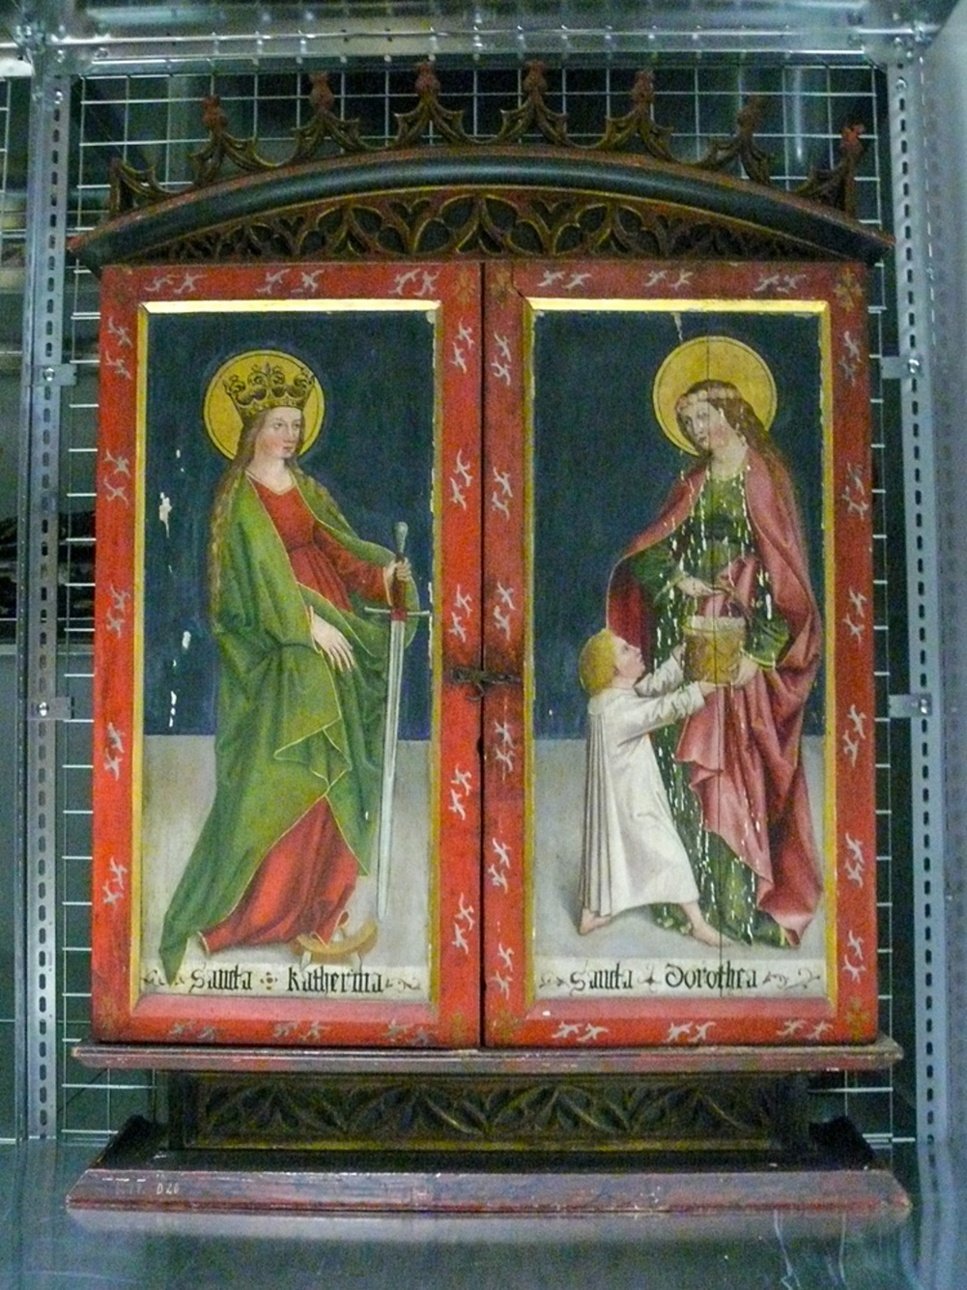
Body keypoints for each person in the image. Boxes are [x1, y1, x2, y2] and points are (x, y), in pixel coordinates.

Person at [159, 358, 415, 984]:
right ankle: (254, 914)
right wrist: (304, 626)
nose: (290, 435)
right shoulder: (237, 502)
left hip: (335, 638)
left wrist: (383, 577)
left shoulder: (307, 489)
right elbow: (238, 598)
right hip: (281, 656)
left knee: (333, 772)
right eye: (279, 424)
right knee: (286, 773)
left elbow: (338, 551)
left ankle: (318, 910)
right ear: (253, 429)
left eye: (296, 425)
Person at [607, 375, 823, 947]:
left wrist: (759, 651)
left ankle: (741, 905)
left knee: (736, 769)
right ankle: (688, 898)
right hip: (690, 636)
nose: (697, 429)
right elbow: (651, 552)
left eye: (704, 416)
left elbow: (788, 581)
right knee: (685, 765)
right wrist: (678, 578)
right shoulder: (693, 481)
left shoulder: (765, 477)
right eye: (688, 422)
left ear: (732, 410)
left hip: (744, 638)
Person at [578, 628, 726, 948]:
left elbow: (649, 690)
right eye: (625, 650)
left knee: (608, 853)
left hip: (619, 802)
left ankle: (590, 913)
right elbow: (661, 709)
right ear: (613, 669)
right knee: (672, 854)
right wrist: (700, 689)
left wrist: (677, 661)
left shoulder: (607, 700)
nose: (635, 649)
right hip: (634, 803)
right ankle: (698, 924)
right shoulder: (618, 710)